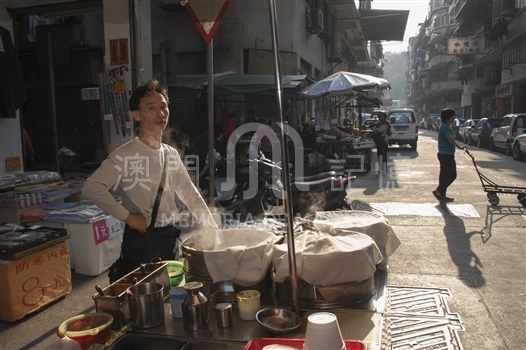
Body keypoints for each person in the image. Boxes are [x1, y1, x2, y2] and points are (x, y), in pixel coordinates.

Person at [82, 79, 217, 283]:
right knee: (142, 301)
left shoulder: (170, 153)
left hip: (170, 237)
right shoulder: (125, 154)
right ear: (137, 115)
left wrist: (213, 228)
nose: (160, 113)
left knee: (169, 294)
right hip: (141, 241)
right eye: (151, 108)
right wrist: (129, 218)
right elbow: (92, 188)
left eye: (163, 106)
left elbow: (190, 194)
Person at [433, 108, 467, 203]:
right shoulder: (446, 127)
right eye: (452, 116)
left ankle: (442, 195)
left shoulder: (445, 126)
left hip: (445, 154)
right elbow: (451, 139)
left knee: (444, 175)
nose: (453, 118)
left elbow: (451, 141)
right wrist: (456, 130)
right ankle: (439, 191)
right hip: (446, 155)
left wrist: (459, 146)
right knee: (452, 175)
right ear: (447, 118)